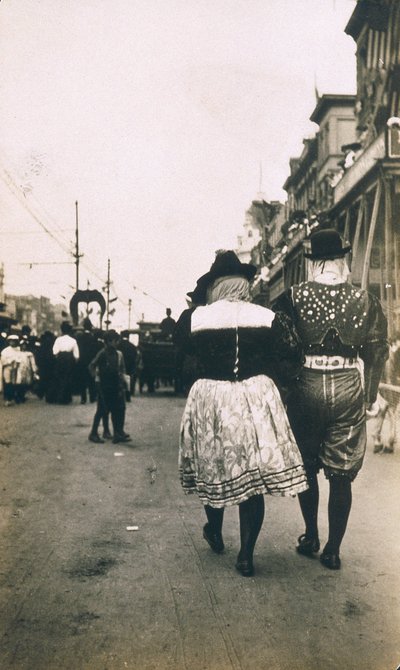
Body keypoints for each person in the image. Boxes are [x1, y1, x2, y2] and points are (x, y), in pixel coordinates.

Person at [178, 250, 308, 577]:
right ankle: (246, 555)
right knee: (252, 476)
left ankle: (215, 530)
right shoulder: (267, 316)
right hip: (255, 395)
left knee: (213, 465)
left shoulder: (194, 318)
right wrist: (281, 383)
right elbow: (292, 352)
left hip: (211, 396)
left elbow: (183, 354)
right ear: (244, 285)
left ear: (215, 286)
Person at [275, 228, 388, 571]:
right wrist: (369, 397)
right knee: (341, 474)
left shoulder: (293, 296)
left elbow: (278, 340)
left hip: (306, 381)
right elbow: (378, 350)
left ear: (313, 262)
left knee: (307, 466)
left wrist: (286, 386)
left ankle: (310, 534)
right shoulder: (365, 300)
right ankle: (333, 550)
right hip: (347, 383)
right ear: (342, 261)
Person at [88, 330, 131, 444]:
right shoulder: (102, 353)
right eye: (114, 341)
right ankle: (93, 433)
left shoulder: (117, 354)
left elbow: (120, 370)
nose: (116, 343)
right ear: (107, 342)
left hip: (115, 385)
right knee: (101, 410)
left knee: (116, 409)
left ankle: (117, 433)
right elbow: (92, 365)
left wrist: (123, 385)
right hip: (104, 386)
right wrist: (96, 378)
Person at [368, 332, 400, 454]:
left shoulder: (387, 355)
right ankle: (387, 441)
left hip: (385, 388)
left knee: (385, 412)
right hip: (389, 388)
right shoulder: (390, 355)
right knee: (391, 413)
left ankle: (379, 439)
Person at [52, 321, 80, 404]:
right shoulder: (73, 341)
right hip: (69, 360)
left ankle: (60, 397)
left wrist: (58, 358)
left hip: (60, 359)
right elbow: (77, 355)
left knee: (60, 378)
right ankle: (67, 398)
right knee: (68, 378)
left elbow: (55, 352)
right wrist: (74, 361)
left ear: (62, 330)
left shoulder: (58, 340)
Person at [0, 334, 21, 406]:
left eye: (14, 341)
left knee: (14, 383)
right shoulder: (5, 351)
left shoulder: (18, 350)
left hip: (15, 368)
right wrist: (9, 361)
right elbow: (3, 360)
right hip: (7, 368)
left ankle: (13, 398)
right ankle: (7, 398)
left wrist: (17, 362)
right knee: (7, 382)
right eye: (11, 341)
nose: (12, 343)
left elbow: (20, 359)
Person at [118, 331, 137, 400]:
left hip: (120, 365)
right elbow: (135, 356)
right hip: (130, 365)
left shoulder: (118, 345)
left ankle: (121, 393)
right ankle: (128, 394)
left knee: (120, 379)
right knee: (128, 379)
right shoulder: (132, 346)